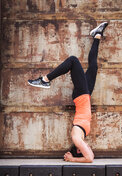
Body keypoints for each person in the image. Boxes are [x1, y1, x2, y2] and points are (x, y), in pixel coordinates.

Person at [28, 22, 108, 163]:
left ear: (78, 149)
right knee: (93, 67)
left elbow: (90, 158)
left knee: (73, 60)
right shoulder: (82, 134)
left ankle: (45, 80)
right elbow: (90, 155)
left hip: (81, 96)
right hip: (86, 95)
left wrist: (72, 159)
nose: (89, 148)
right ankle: (97, 35)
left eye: (85, 148)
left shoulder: (77, 137)